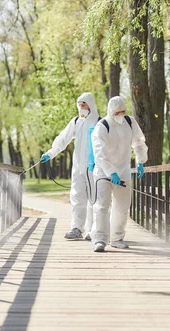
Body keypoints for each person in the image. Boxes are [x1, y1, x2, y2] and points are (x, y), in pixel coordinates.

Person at [90, 96, 147, 252]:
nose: (121, 114)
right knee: (102, 206)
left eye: (123, 111)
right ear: (110, 111)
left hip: (123, 172)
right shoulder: (102, 127)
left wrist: (141, 162)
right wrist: (111, 173)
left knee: (122, 207)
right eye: (117, 112)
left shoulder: (130, 122)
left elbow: (139, 142)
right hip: (103, 172)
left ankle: (116, 238)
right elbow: (99, 154)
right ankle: (100, 239)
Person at [41, 92, 100, 240]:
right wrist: (51, 153)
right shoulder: (76, 122)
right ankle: (77, 228)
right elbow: (63, 138)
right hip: (78, 168)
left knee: (95, 199)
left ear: (91, 105)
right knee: (77, 197)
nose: (81, 107)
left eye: (84, 104)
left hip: (95, 168)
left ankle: (94, 230)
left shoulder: (100, 123)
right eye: (79, 104)